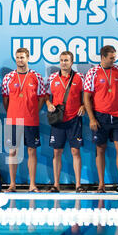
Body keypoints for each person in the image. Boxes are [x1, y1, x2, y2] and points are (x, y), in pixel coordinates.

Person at [83, 45, 118, 193]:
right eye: (111, 57)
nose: (114, 60)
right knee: (100, 149)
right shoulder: (92, 73)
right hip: (100, 116)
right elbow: (86, 97)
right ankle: (101, 184)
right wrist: (92, 118)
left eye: (114, 57)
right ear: (103, 57)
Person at [2, 47, 46, 193]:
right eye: (18, 57)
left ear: (28, 58)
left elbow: (41, 99)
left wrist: (33, 111)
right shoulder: (9, 77)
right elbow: (5, 100)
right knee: (12, 152)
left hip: (31, 120)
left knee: (32, 151)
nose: (20, 60)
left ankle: (32, 184)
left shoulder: (36, 77)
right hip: (13, 120)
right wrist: (13, 112)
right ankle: (12, 184)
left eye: (22, 57)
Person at [45, 51, 86, 193]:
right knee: (57, 152)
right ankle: (56, 185)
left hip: (74, 119)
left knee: (75, 151)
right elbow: (45, 95)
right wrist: (48, 104)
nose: (63, 62)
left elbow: (87, 96)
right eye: (62, 60)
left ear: (72, 62)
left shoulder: (80, 77)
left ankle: (78, 185)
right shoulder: (52, 78)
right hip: (58, 120)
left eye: (66, 60)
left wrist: (84, 106)